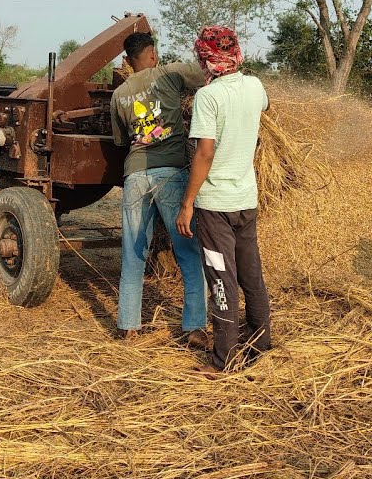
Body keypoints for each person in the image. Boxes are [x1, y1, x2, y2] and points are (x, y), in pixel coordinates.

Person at [176, 25, 272, 376]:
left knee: (220, 278)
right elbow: (265, 105)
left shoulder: (208, 97)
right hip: (247, 199)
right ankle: (260, 347)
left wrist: (187, 204)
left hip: (216, 205)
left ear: (205, 57)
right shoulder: (255, 86)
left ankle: (224, 360)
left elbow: (204, 153)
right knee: (251, 276)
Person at [110, 31, 210, 349]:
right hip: (171, 174)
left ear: (127, 61)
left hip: (135, 175)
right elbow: (205, 79)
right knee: (189, 254)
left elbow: (119, 141)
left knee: (133, 253)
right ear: (152, 54)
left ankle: (128, 326)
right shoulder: (169, 73)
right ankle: (194, 327)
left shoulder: (119, 94)